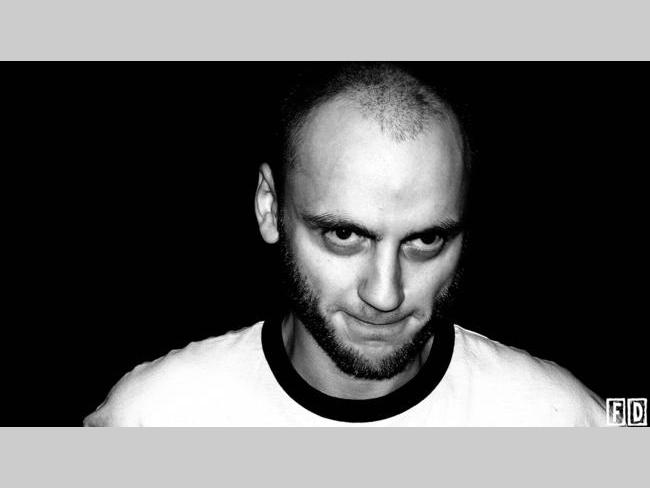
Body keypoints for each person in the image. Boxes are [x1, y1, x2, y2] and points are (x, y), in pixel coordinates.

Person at [84, 63, 607, 426]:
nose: (385, 294)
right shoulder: (154, 418)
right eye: (344, 235)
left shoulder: (560, 420)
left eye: (426, 239)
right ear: (270, 207)